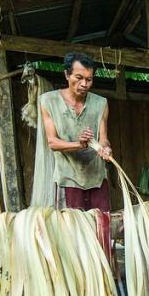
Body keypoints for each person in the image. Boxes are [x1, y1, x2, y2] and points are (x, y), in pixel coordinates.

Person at [40, 53, 112, 211]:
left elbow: (103, 139)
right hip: (68, 179)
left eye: (89, 79)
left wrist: (105, 148)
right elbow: (52, 142)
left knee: (101, 229)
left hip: (97, 179)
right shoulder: (48, 101)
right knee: (70, 232)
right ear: (67, 74)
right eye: (79, 77)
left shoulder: (101, 103)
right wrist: (79, 145)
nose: (84, 84)